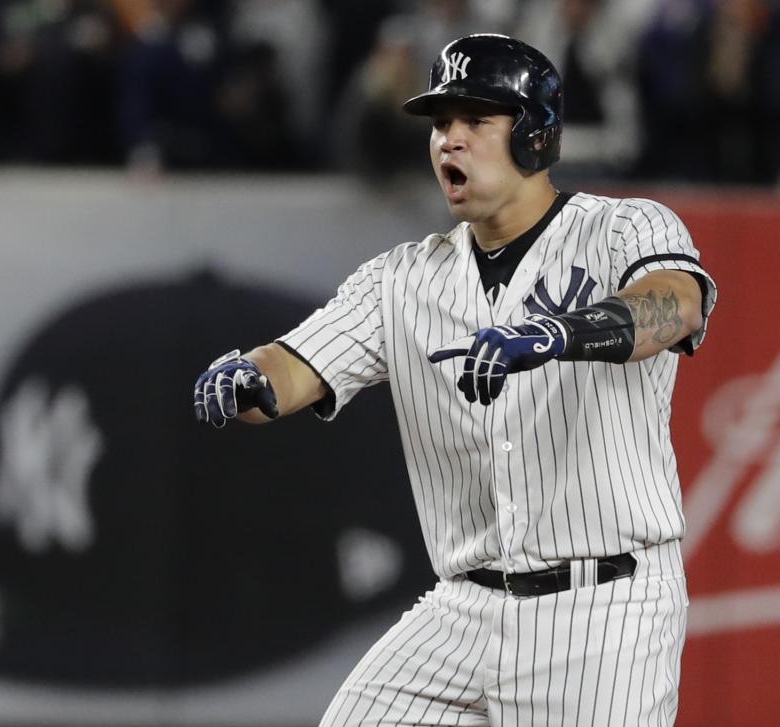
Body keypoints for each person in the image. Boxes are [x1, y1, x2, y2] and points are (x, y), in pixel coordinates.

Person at [194, 34, 717, 727]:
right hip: (462, 606)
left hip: (603, 608)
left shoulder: (622, 229)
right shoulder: (403, 277)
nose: (450, 141)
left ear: (535, 135)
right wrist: (248, 376)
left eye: (477, 120)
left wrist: (559, 330)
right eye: (442, 123)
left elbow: (677, 303)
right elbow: (294, 367)